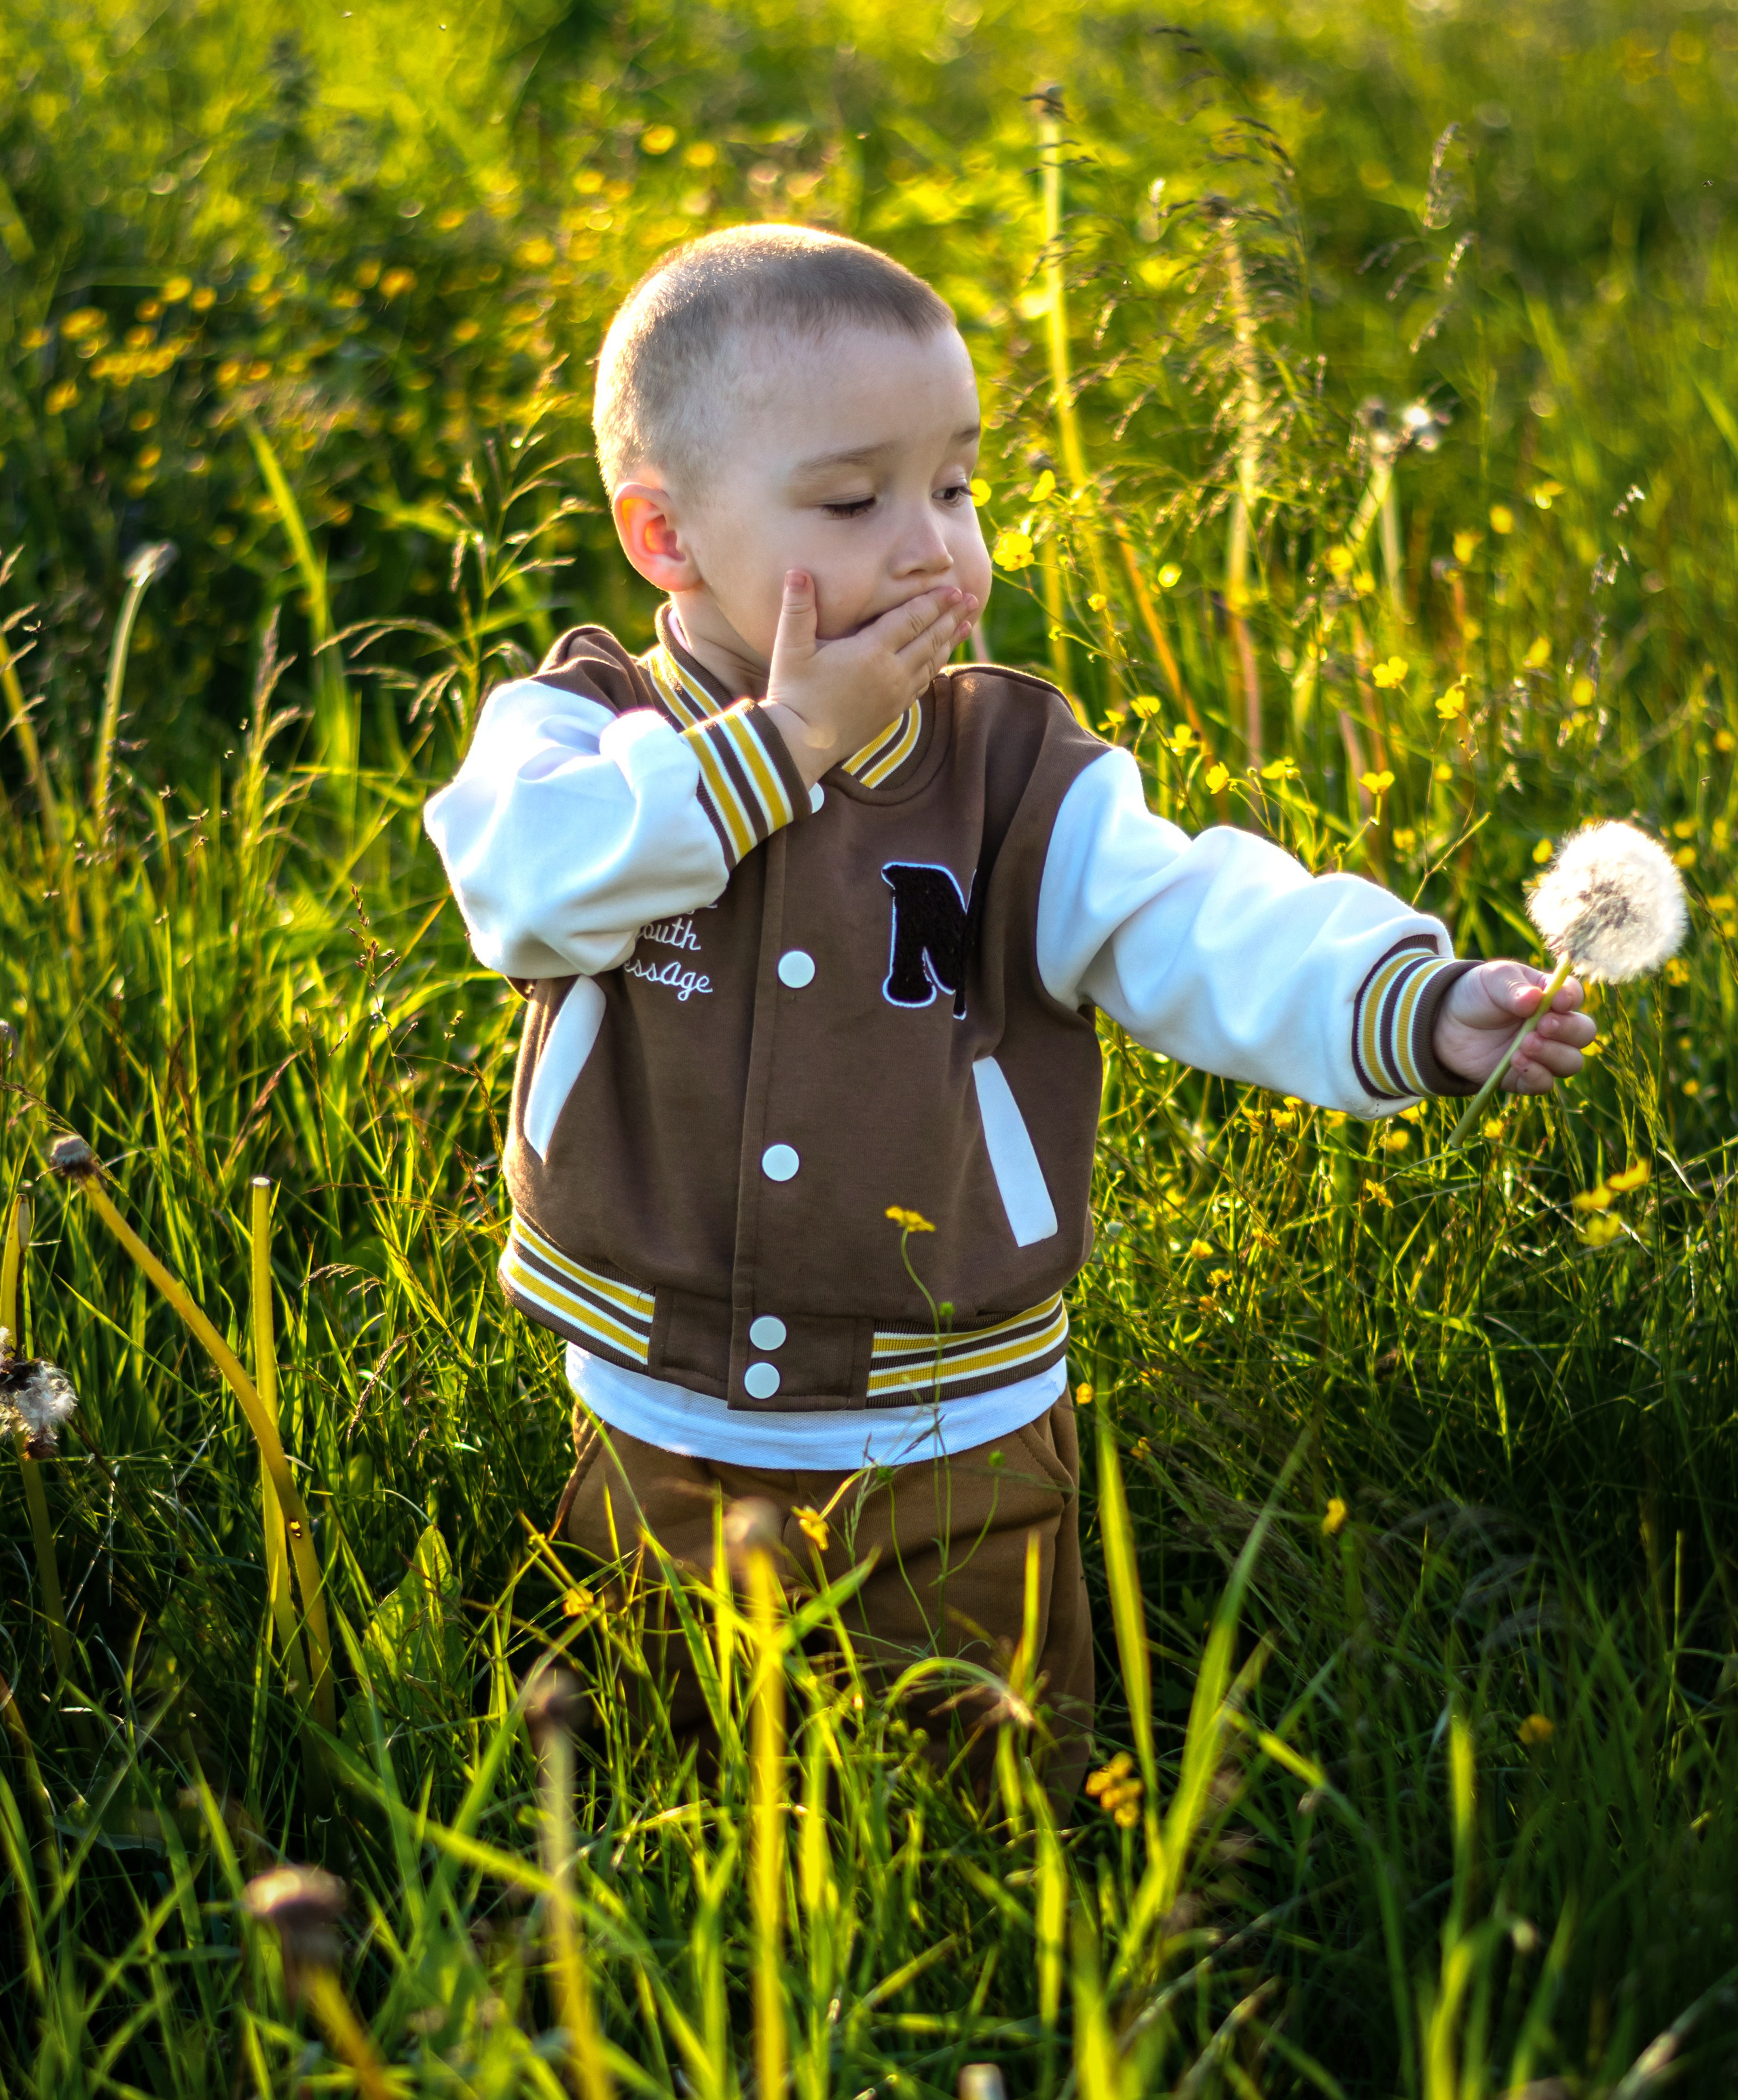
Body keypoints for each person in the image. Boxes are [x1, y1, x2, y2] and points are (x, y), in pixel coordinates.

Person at [424, 223, 1595, 1777]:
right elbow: (521, 887)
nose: (932, 546)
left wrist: (1402, 996)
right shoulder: (580, 730)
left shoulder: (1007, 776)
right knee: (667, 1764)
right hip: (656, 1407)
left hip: (952, 1416)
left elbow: (1192, 915)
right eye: (853, 501)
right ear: (664, 539)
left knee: (991, 1772)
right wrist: (782, 743)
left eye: (957, 486)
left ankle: (1017, 1976)